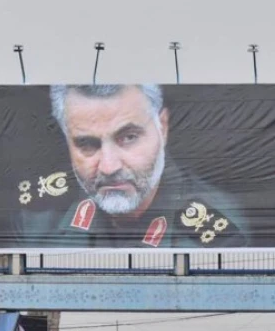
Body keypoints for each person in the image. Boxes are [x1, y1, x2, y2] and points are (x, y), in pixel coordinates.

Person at [14, 84, 249, 248]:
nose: (108, 167)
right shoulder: (39, 218)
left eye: (128, 137)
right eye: (87, 144)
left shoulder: (217, 228)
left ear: (163, 128)